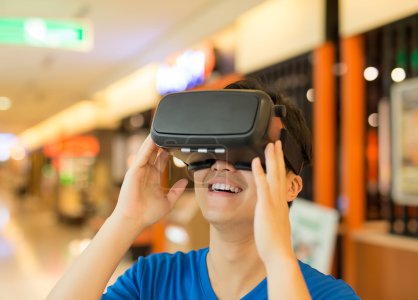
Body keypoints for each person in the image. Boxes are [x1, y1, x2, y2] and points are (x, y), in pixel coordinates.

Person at [47, 79, 360, 299]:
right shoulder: (154, 280)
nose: (221, 165)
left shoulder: (328, 295)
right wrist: (126, 217)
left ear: (292, 187)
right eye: (208, 152)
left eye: (248, 156)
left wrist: (279, 260)